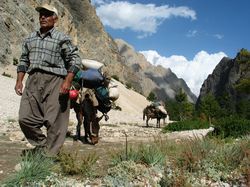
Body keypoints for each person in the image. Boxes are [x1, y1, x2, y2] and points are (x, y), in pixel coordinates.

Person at [14, 3, 81, 156]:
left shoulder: (62, 38)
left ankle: (49, 158)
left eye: (47, 14)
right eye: (41, 14)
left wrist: (67, 81)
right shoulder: (30, 38)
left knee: (54, 121)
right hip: (33, 81)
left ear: (55, 19)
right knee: (25, 118)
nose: (43, 17)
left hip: (55, 81)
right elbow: (23, 60)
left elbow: (75, 60)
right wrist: (19, 81)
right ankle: (43, 145)